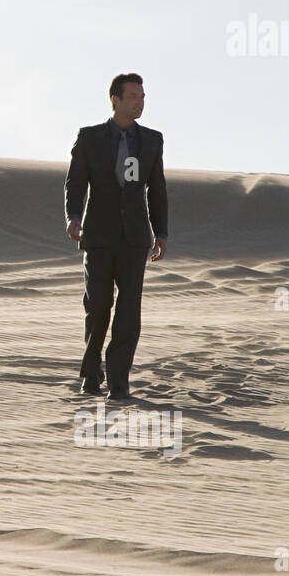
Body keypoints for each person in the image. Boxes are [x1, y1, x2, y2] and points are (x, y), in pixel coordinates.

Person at [63, 73, 168, 400]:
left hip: (135, 237)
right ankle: (91, 373)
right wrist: (73, 216)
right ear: (116, 100)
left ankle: (119, 380)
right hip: (97, 235)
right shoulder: (90, 137)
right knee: (98, 306)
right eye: (134, 96)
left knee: (128, 311)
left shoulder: (151, 140)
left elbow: (157, 190)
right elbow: (75, 183)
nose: (141, 102)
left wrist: (161, 232)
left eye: (143, 96)